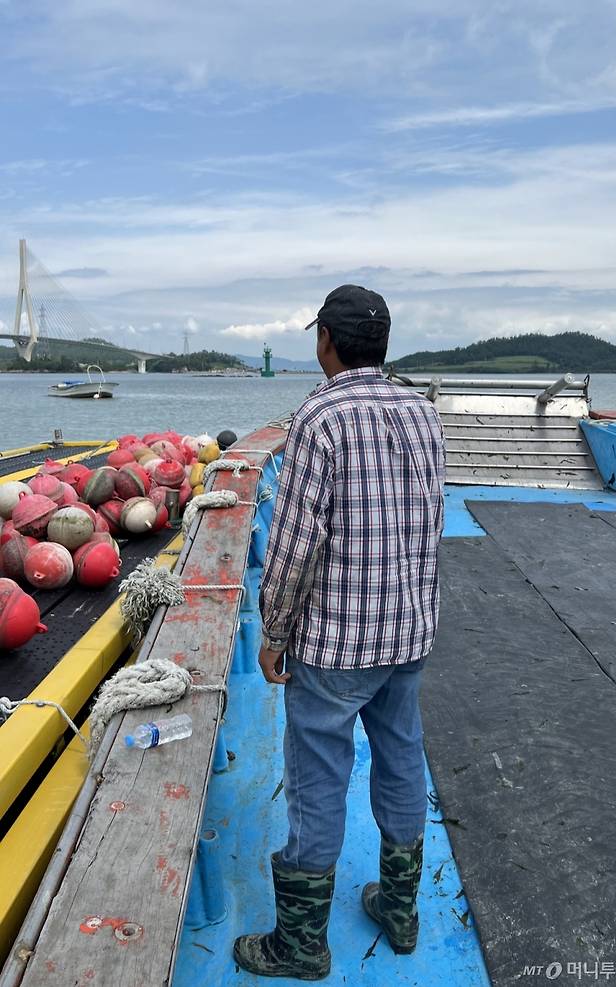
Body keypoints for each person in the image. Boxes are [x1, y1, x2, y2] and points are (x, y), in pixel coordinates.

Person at [234, 284, 445, 980]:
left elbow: (293, 548)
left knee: (319, 776)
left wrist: (273, 633)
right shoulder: (421, 412)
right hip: (408, 633)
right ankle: (401, 909)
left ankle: (300, 944)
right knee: (402, 757)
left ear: (326, 339)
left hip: (336, 646)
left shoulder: (319, 417)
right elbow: (430, 523)